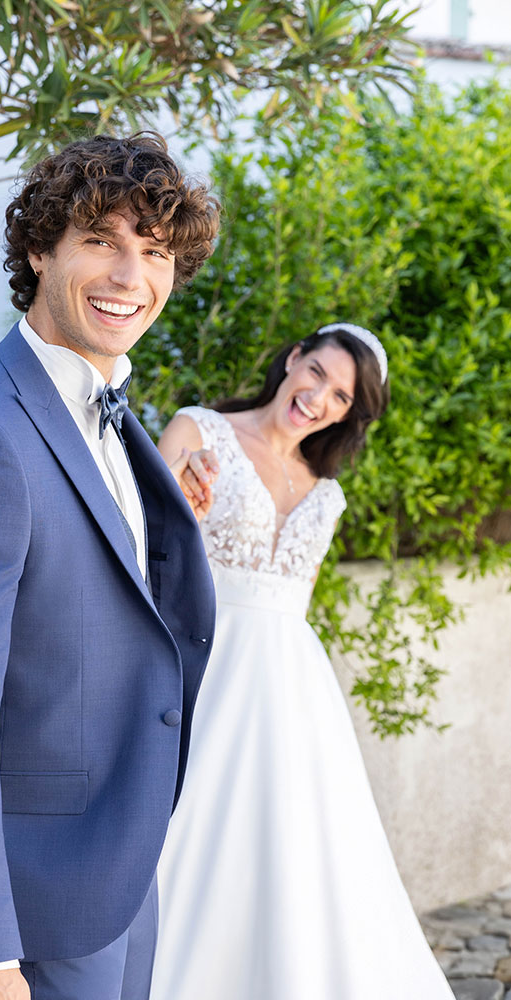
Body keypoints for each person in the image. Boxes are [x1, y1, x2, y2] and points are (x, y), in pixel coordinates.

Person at [0, 132, 219, 1000]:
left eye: (155, 252)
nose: (130, 276)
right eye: (101, 241)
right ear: (40, 250)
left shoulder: (104, 408)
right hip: (31, 909)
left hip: (119, 876)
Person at [150, 324, 455, 999]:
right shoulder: (199, 430)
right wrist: (179, 490)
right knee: (189, 829)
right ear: (292, 360)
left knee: (294, 844)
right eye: (316, 372)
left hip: (293, 688)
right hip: (205, 661)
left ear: (348, 415)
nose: (318, 397)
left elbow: (295, 600)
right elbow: (146, 549)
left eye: (341, 396)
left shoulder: (327, 493)